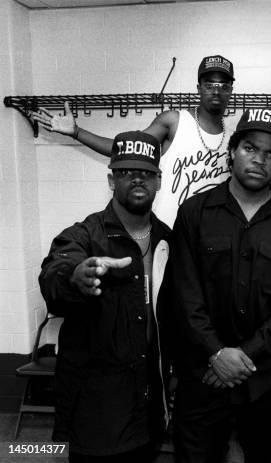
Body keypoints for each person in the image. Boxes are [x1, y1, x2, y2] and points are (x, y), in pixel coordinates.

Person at [164, 107, 271, 463]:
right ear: (232, 151)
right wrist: (216, 353)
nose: (259, 159)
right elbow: (184, 292)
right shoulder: (194, 213)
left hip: (268, 377)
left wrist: (244, 357)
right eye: (250, 148)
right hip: (203, 374)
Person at [38, 131, 171, 462]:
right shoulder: (84, 235)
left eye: (146, 173)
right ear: (112, 180)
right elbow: (54, 277)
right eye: (126, 172)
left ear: (158, 181)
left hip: (149, 402)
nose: (137, 179)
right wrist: (76, 277)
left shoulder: (168, 239)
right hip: (97, 410)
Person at [30, 54, 235, 227]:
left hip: (213, 235)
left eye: (223, 85)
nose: (216, 90)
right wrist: (76, 132)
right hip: (171, 229)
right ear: (198, 88)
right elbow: (122, 149)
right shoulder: (174, 121)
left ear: (230, 91)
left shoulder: (236, 139)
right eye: (209, 84)